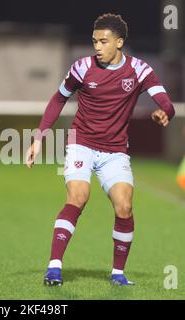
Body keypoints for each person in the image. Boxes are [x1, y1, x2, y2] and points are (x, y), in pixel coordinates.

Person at [25, 13, 175, 286]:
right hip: (81, 144)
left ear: (119, 43)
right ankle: (54, 267)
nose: (97, 46)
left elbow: (166, 102)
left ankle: (118, 273)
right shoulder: (82, 68)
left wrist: (163, 112)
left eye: (103, 41)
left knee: (124, 206)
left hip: (115, 151)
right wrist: (38, 137)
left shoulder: (139, 70)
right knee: (78, 197)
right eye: (94, 41)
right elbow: (59, 97)